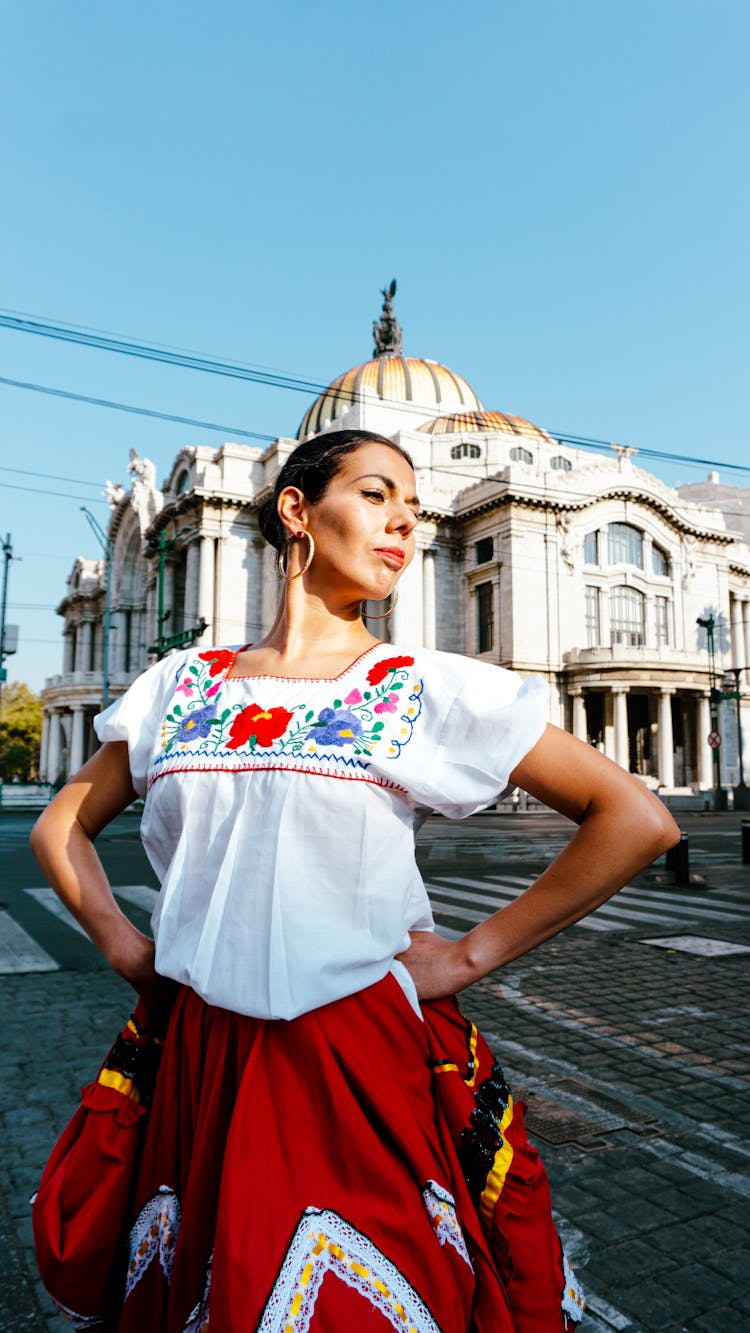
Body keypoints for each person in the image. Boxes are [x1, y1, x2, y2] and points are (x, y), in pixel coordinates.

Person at [30, 428, 679, 1333]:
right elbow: (61, 825)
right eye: (377, 496)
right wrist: (126, 946)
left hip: (354, 1058)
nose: (403, 525)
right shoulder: (179, 685)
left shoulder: (418, 685)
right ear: (296, 509)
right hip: (199, 1059)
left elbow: (636, 818)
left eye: (412, 511)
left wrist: (468, 954)